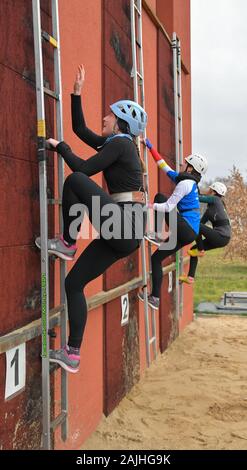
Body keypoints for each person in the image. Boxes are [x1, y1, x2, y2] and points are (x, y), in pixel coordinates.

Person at [35, 64, 147, 373]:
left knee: (75, 181)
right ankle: (72, 354)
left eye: (109, 116)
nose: (104, 118)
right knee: (74, 283)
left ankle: (68, 242)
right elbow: (81, 130)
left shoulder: (122, 145)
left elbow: (83, 170)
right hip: (125, 232)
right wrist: (76, 92)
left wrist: (62, 149)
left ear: (121, 123)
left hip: (124, 225)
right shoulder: (117, 145)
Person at [138, 138, 208, 310]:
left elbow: (168, 206)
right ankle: (155, 297)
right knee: (156, 259)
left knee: (161, 198)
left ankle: (157, 234)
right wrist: (151, 147)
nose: (182, 165)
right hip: (187, 232)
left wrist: (147, 205)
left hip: (186, 229)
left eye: (185, 163)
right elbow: (164, 167)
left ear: (190, 168)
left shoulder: (185, 183)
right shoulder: (187, 181)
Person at [179, 181, 231, 284]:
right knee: (193, 250)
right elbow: (199, 225)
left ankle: (201, 250)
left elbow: (198, 198)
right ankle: (190, 278)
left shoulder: (216, 200)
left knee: (196, 225)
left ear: (213, 192)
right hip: (222, 238)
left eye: (209, 189)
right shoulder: (211, 208)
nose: (207, 190)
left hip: (221, 236)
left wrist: (189, 190)